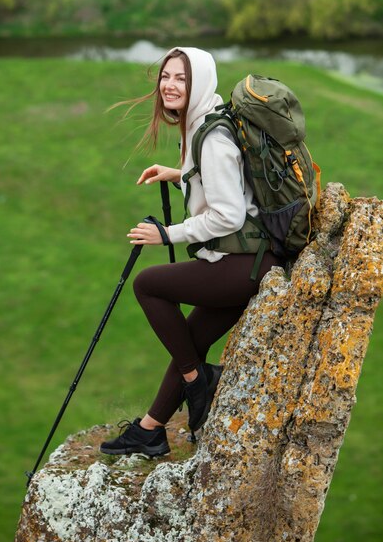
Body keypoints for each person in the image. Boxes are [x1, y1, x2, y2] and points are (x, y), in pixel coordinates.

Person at [100, 47, 283, 457]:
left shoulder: (212, 136)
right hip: (254, 260)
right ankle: (151, 430)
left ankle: (197, 381)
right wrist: (180, 174)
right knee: (191, 343)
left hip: (242, 264)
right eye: (166, 75)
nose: (169, 84)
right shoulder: (209, 120)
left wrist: (167, 235)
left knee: (148, 286)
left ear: (199, 81)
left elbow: (230, 215)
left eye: (181, 78)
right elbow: (226, 185)